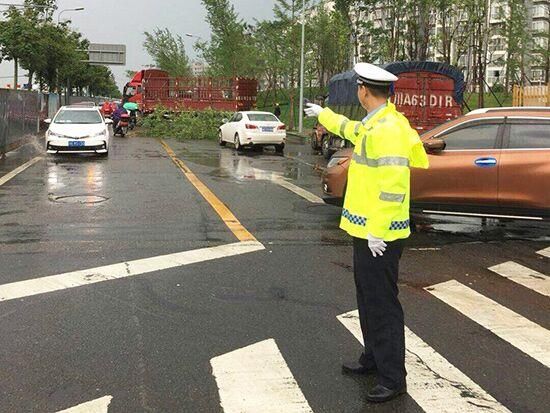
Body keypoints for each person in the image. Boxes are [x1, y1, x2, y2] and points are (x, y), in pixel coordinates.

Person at [305, 63, 429, 403]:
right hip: (367, 231)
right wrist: (325, 114)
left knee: (383, 304)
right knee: (367, 298)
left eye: (359, 87)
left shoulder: (388, 130)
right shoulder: (377, 123)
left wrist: (378, 231)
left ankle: (393, 377)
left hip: (381, 235)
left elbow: (393, 187)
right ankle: (373, 358)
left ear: (363, 90)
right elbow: (350, 129)